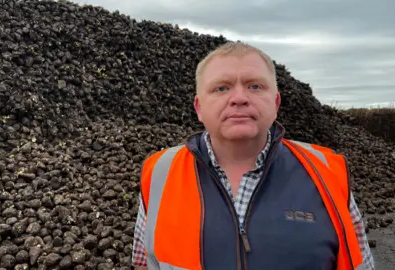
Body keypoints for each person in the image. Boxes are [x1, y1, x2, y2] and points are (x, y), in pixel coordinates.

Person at [131, 41, 375, 270]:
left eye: (255, 86)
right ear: (199, 108)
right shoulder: (160, 173)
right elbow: (144, 263)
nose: (239, 98)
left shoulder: (327, 172)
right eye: (221, 88)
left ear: (276, 102)